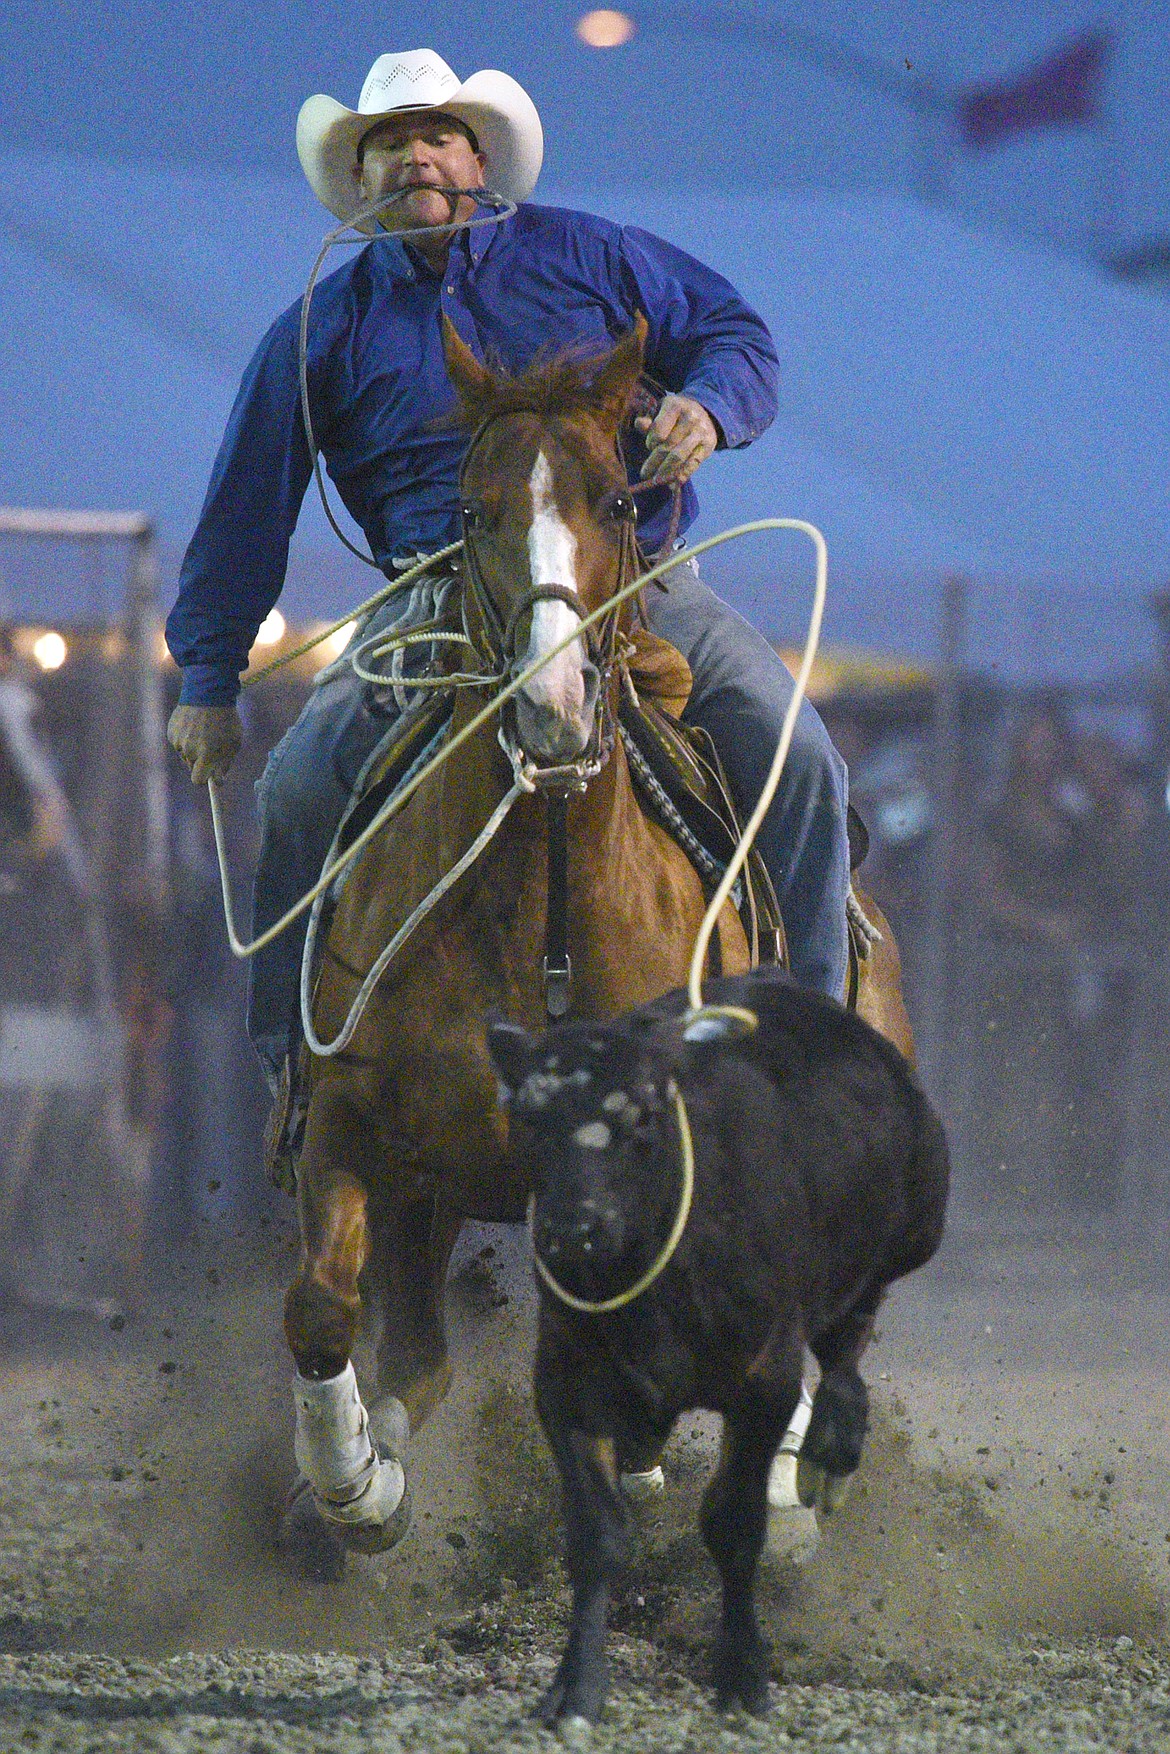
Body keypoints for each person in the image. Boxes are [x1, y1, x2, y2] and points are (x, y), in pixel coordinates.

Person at [165, 48, 850, 1122]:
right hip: (431, 602)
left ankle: (819, 1051)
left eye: (437, 135)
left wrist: (709, 408)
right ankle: (300, 1072)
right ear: (361, 179)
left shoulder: (594, 256)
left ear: (481, 159)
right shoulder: (322, 326)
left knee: (796, 753)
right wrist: (208, 675)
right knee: (297, 788)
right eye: (388, 143)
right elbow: (249, 500)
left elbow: (734, 333)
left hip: (633, 580)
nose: (415, 156)